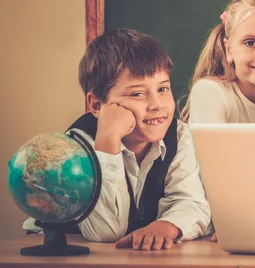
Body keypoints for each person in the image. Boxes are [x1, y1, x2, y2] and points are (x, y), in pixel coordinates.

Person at [23, 28, 211, 250]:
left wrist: (166, 226)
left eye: (162, 89)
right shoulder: (75, 150)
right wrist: (108, 139)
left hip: (130, 254)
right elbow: (107, 231)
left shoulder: (179, 136)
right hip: (63, 250)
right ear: (97, 105)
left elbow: (192, 202)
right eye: (137, 94)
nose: (157, 104)